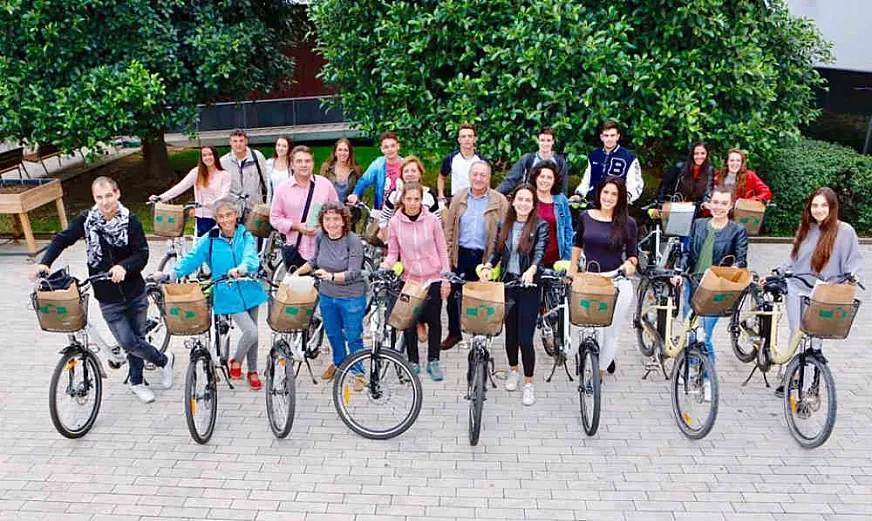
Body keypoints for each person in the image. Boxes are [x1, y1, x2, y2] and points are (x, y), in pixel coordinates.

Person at [32, 177, 174, 404]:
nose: (105, 202)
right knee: (129, 342)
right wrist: (45, 263)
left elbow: (142, 254)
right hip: (107, 296)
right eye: (99, 197)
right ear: (94, 199)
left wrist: (123, 267)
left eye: (108, 195)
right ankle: (163, 360)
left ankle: (137, 381)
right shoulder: (87, 220)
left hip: (135, 292)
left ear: (117, 193)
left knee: (135, 340)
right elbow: (63, 239)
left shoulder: (131, 221)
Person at [166, 197, 267, 390]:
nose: (226, 219)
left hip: (248, 286)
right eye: (221, 216)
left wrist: (244, 267)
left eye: (229, 215)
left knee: (253, 333)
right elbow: (192, 258)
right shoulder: (210, 239)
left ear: (236, 215)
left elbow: (251, 257)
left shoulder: (245, 235)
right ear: (217, 219)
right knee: (251, 331)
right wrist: (172, 273)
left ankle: (252, 370)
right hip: (226, 291)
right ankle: (236, 361)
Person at [775, 187, 863, 397]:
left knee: (816, 338)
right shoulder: (806, 228)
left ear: (832, 207)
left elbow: (855, 261)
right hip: (797, 288)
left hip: (825, 292)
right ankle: (792, 374)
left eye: (824, 205)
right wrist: (779, 272)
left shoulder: (845, 231)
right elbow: (793, 258)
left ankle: (807, 383)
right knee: (798, 332)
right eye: (815, 205)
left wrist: (852, 276)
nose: (819, 209)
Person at [671, 186, 748, 395]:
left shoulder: (737, 230)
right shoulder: (698, 224)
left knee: (704, 334)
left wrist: (734, 269)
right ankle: (688, 368)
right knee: (690, 330)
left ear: (730, 205)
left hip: (716, 290)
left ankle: (707, 378)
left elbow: (741, 260)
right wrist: (680, 272)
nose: (719, 207)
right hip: (693, 284)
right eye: (715, 202)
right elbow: (687, 253)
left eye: (724, 203)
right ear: (709, 203)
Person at [480, 184, 548, 406]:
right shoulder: (505, 224)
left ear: (533, 204)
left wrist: (532, 269)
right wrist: (489, 266)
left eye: (528, 200)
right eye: (520, 199)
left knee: (525, 338)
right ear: (513, 201)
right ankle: (514, 370)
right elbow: (496, 252)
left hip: (529, 287)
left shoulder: (540, 225)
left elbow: (539, 251)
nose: (523, 203)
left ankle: (529, 383)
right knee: (510, 335)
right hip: (508, 284)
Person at [568, 177, 638, 379]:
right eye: (605, 192)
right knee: (583, 327)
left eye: (614, 194)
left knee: (611, 331)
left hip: (615, 279)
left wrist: (629, 265)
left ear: (620, 197)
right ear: (599, 193)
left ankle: (598, 374)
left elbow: (633, 256)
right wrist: (572, 269)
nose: (608, 197)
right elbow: (577, 244)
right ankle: (577, 352)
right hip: (589, 280)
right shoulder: (585, 217)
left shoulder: (628, 223)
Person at [291, 204, 367, 391]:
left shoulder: (353, 241)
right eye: (327, 219)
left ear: (343, 221)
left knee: (353, 335)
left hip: (351, 297)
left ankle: (359, 371)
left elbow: (354, 272)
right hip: (327, 295)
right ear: (322, 222)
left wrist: (332, 276)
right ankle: (339, 363)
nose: (331, 223)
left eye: (335, 219)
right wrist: (296, 274)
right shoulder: (321, 237)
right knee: (333, 333)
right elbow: (314, 260)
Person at [382, 182, 451, 380]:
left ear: (422, 200)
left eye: (417, 199)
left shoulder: (431, 220)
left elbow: (442, 250)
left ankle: (433, 360)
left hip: (433, 278)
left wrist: (445, 279)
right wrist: (384, 266)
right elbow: (393, 253)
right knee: (409, 322)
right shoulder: (395, 222)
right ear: (402, 199)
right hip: (409, 279)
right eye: (409, 199)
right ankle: (412, 360)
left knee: (434, 320)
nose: (413, 203)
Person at [441, 161, 510, 350]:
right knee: (454, 297)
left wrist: (496, 261)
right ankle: (454, 332)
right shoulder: (459, 198)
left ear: (489, 178)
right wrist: (447, 257)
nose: (478, 179)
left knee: (481, 299)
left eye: (483, 175)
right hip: (460, 253)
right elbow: (449, 229)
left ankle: (482, 334)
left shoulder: (499, 201)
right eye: (475, 174)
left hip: (484, 257)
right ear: (470, 176)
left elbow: (505, 233)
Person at [270, 145, 339, 269]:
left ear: (313, 164)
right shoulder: (282, 189)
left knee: (325, 286)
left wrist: (325, 226)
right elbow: (275, 218)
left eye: (307, 161)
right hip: (296, 248)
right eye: (299, 161)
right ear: (292, 165)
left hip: (324, 247)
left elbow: (338, 212)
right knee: (299, 287)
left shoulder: (325, 185)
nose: (304, 165)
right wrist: (295, 226)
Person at [150, 146, 231, 236]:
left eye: (210, 154)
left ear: (215, 156)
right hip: (203, 216)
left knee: (220, 244)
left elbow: (224, 195)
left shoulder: (224, 175)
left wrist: (211, 203)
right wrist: (161, 197)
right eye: (204, 155)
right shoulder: (196, 173)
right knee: (203, 245)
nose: (207, 158)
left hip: (221, 216)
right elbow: (180, 187)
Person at [572, 120, 644, 204]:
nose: (609, 139)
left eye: (612, 135)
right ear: (601, 137)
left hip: (617, 204)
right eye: (606, 135)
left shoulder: (629, 157)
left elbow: (635, 185)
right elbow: (586, 181)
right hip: (594, 201)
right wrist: (579, 194)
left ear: (618, 136)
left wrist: (625, 199)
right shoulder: (594, 155)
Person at [497, 127, 569, 195]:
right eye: (542, 140)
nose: (545, 144)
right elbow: (510, 180)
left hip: (551, 200)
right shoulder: (527, 159)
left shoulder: (560, 163)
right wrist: (494, 194)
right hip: (530, 199)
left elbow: (563, 188)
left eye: (548, 140)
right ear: (537, 141)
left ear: (553, 142)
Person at [378, 156, 441, 234]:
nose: (410, 174)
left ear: (420, 173)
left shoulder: (428, 195)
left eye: (413, 171)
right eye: (406, 171)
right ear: (402, 175)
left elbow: (437, 221)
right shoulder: (395, 194)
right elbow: (383, 219)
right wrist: (388, 240)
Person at [529, 160, 573, 267]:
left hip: (556, 260)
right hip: (530, 259)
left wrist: (566, 258)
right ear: (535, 178)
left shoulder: (561, 200)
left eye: (549, 177)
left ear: (554, 181)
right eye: (542, 176)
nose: (545, 180)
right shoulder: (528, 197)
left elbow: (568, 229)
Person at [347, 131, 403, 210]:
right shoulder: (378, 164)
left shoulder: (405, 164)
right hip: (382, 209)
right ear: (382, 149)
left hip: (403, 208)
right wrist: (355, 194)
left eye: (392, 146)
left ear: (398, 146)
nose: (390, 149)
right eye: (386, 147)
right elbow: (365, 180)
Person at [220, 129, 270, 211]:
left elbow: (266, 180)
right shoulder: (223, 162)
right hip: (233, 209)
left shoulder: (257, 157)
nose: (238, 144)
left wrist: (267, 204)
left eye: (241, 141)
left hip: (255, 208)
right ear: (230, 142)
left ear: (246, 141)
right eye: (235, 141)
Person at [437, 124, 485, 204]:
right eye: (463, 136)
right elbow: (441, 177)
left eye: (470, 136)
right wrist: (441, 195)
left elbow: (487, 181)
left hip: (477, 200)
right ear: (459, 140)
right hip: (456, 200)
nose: (467, 139)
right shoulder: (451, 158)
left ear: (475, 139)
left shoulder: (482, 160)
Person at [656, 142, 715, 207]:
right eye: (696, 153)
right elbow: (664, 185)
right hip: (675, 205)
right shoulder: (680, 167)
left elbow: (708, 190)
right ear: (692, 155)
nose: (699, 156)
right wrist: (661, 204)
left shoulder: (709, 170)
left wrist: (705, 202)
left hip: (694, 207)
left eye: (703, 153)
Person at [320, 138, 362, 203]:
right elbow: (321, 191)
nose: (342, 153)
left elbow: (359, 193)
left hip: (350, 210)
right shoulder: (326, 168)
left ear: (349, 153)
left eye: (345, 150)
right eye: (340, 150)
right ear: (335, 153)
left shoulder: (356, 171)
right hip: (331, 210)